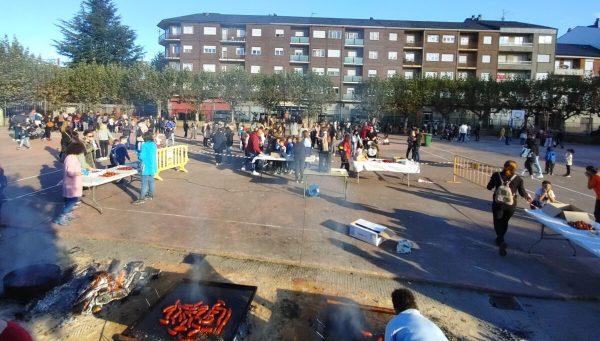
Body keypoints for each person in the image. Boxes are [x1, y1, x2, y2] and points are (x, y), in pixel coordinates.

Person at [487, 160, 532, 256]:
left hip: (498, 203)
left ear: (504, 166)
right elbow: (522, 192)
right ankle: (501, 239)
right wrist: (528, 198)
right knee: (505, 222)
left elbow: (489, 187)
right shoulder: (518, 179)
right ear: (515, 169)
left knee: (497, 221)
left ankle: (500, 240)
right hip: (511, 204)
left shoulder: (497, 175)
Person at [53, 143, 85, 226]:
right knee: (72, 200)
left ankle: (67, 214)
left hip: (72, 182)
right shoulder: (71, 158)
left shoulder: (70, 157)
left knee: (70, 200)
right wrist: (79, 173)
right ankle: (61, 217)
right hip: (72, 183)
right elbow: (70, 172)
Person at [134, 132, 158, 204]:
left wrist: (138, 154)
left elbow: (142, 157)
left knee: (144, 183)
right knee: (151, 181)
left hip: (146, 166)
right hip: (153, 165)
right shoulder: (153, 144)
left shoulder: (144, 145)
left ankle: (142, 198)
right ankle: (150, 194)